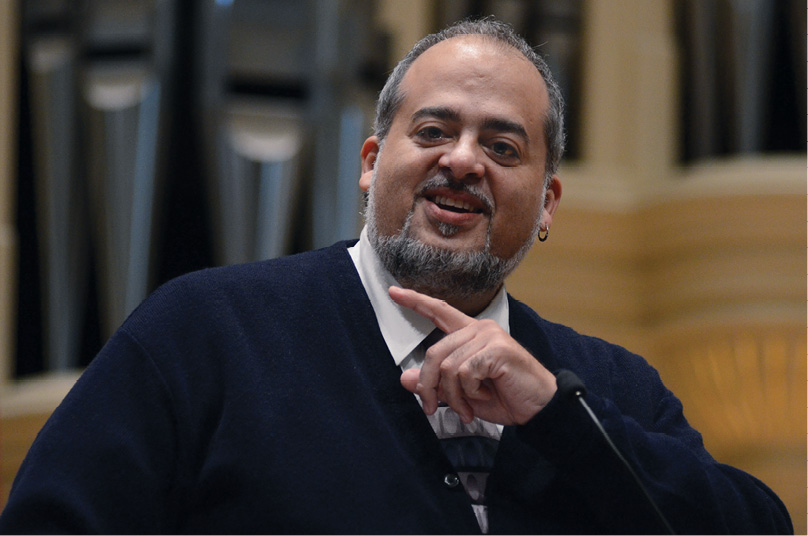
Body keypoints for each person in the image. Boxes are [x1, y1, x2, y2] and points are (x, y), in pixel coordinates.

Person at [0, 18, 791, 534]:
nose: (461, 159)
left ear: (547, 205)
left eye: (503, 147)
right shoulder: (206, 333)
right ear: (371, 163)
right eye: (434, 131)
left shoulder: (616, 389)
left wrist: (555, 416)